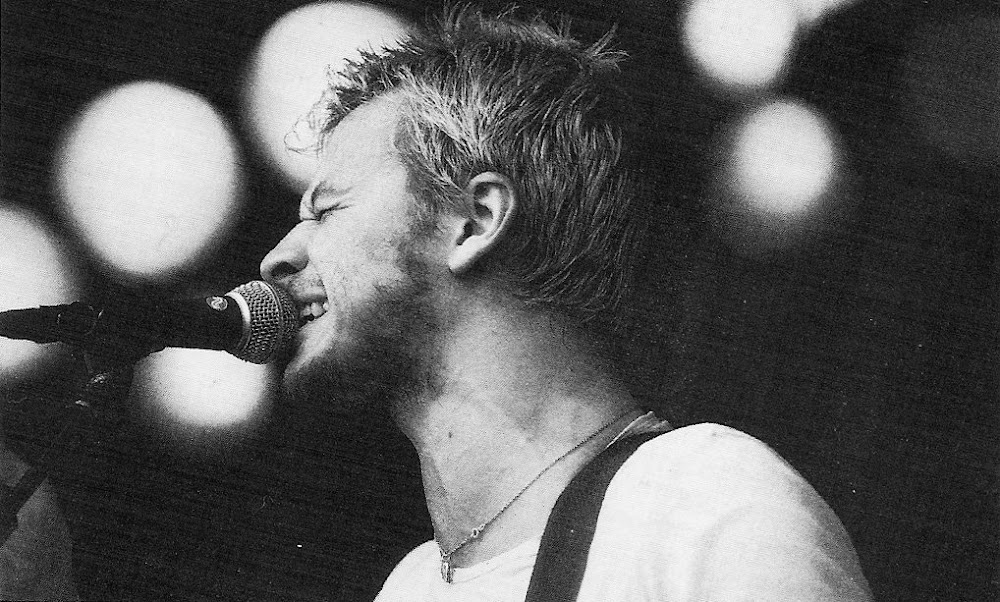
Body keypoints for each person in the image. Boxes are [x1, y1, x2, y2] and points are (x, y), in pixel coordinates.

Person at [259, 5, 873, 600]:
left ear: (476, 221)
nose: (277, 258)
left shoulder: (703, 504)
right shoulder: (409, 587)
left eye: (327, 210)